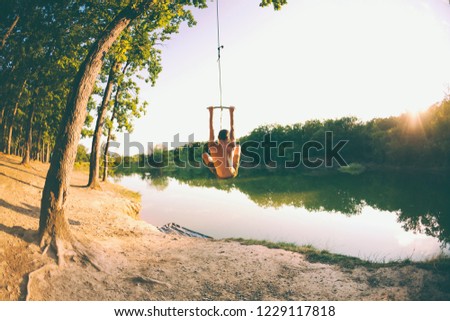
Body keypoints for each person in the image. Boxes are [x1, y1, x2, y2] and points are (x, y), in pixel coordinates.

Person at [202, 106, 241, 179]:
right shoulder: (231, 146)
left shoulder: (213, 147)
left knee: (204, 155)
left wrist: (211, 112)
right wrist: (231, 112)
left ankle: (216, 161)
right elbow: (232, 128)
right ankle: (217, 161)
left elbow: (211, 129)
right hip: (229, 174)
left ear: (218, 138)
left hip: (221, 173)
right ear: (228, 139)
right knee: (238, 147)